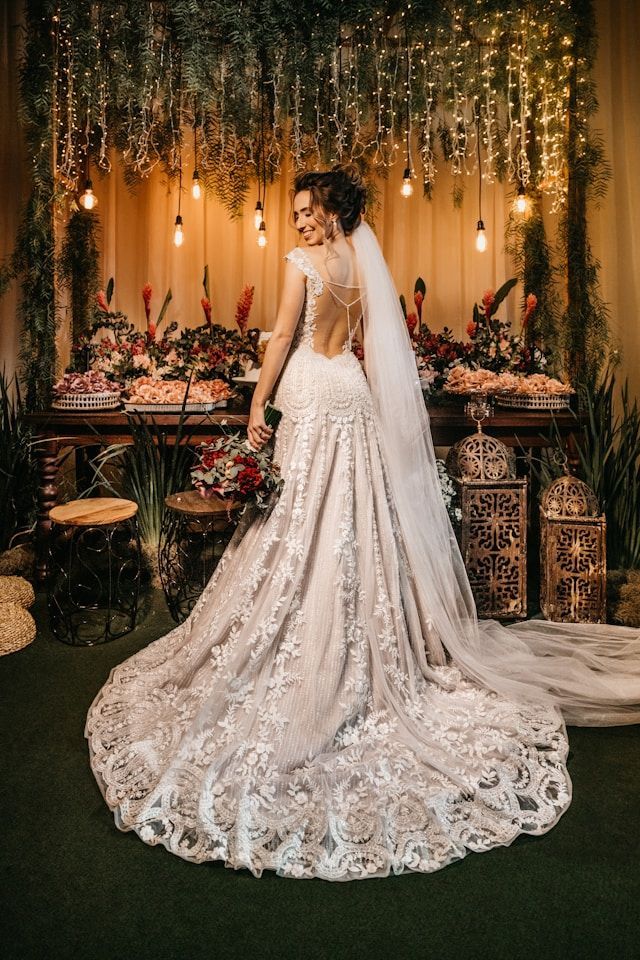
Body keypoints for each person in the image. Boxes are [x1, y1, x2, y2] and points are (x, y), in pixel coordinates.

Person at [86, 165, 640, 881]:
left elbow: (280, 337)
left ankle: (312, 637)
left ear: (331, 211)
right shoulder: (363, 263)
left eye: (307, 210)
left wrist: (257, 406)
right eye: (295, 213)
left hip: (311, 392)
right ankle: (353, 635)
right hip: (349, 390)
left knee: (303, 514)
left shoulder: (304, 263)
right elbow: (376, 345)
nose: (299, 222)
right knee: (350, 514)